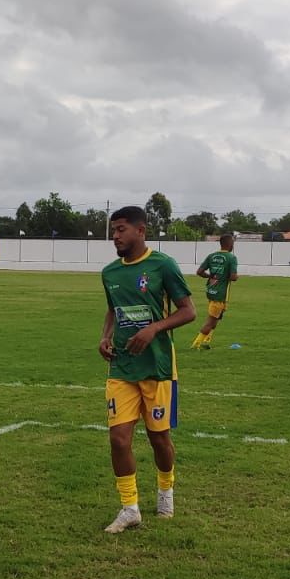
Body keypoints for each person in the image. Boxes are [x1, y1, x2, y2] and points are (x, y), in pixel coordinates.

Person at [99, 206, 195, 534]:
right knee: (118, 439)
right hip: (122, 367)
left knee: (159, 438)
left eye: (121, 229)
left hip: (157, 366)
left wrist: (153, 328)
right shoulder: (110, 272)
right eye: (113, 230)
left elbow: (188, 311)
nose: (115, 236)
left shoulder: (163, 265)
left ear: (141, 231)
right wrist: (105, 337)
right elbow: (112, 310)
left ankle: (166, 491)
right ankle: (130, 508)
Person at [190, 234, 239, 350]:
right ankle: (196, 344)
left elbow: (199, 272)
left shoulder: (211, 256)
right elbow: (233, 277)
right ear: (230, 244)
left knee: (216, 318)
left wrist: (210, 276)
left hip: (211, 291)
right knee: (211, 320)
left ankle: (206, 341)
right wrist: (236, 277)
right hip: (220, 294)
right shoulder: (231, 258)